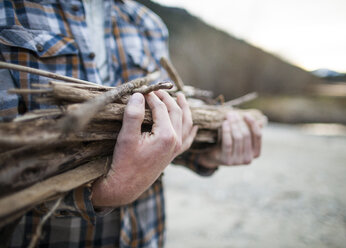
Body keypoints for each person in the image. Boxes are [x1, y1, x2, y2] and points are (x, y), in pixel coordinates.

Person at [0, 0, 262, 247]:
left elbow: (161, 135)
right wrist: (106, 193)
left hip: (143, 236)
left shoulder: (149, 24)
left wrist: (207, 153)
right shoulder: (8, 10)